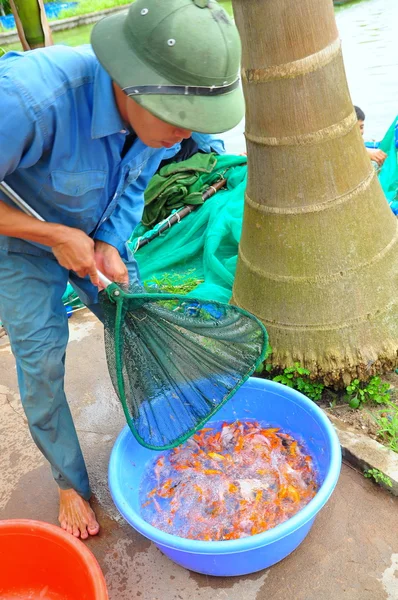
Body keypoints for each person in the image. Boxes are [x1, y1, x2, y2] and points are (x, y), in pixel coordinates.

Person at [0, 0, 243, 539]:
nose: (186, 138)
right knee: (40, 359)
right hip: (19, 242)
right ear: (132, 86)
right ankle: (68, 480)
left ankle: (174, 423)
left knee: (134, 316)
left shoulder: (165, 127)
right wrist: (53, 236)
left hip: (93, 230)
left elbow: (134, 183)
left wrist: (108, 242)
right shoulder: (26, 99)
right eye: (180, 122)